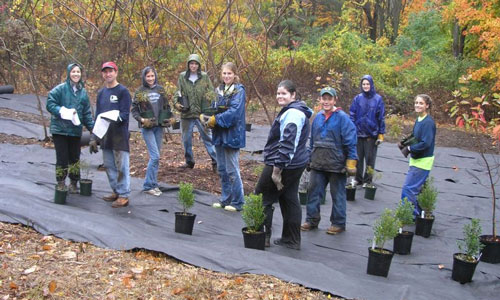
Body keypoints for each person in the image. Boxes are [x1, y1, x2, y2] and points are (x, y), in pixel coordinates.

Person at [254, 80, 312, 250]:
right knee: (289, 198)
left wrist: (277, 169)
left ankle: (261, 237)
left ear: (293, 95)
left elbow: (288, 142)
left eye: (284, 93)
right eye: (278, 93)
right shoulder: (297, 110)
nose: (280, 96)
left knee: (262, 197)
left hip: (284, 163)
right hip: (296, 163)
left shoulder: (293, 114)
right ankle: (291, 239)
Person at [301, 87, 358, 235]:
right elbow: (312, 141)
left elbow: (350, 141)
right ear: (320, 100)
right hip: (318, 163)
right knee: (313, 192)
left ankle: (338, 223)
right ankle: (311, 220)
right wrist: (309, 158)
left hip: (336, 164)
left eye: (329, 99)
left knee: (337, 194)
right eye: (323, 98)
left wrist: (351, 162)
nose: (326, 101)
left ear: (335, 100)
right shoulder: (317, 118)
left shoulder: (342, 118)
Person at [200, 62, 246, 212]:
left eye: (229, 73)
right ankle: (226, 199)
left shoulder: (239, 91)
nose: (226, 76)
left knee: (232, 169)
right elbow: (213, 107)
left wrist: (216, 119)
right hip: (219, 133)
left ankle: (238, 201)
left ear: (235, 75)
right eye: (224, 73)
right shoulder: (219, 90)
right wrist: (206, 117)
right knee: (222, 168)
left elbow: (234, 112)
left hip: (232, 134)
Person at [46, 63, 94, 193]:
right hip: (60, 130)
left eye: (78, 72)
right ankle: (61, 182)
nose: (76, 74)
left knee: (74, 157)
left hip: (74, 131)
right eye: (73, 72)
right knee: (62, 157)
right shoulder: (60, 89)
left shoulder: (83, 93)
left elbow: (86, 113)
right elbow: (50, 103)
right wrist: (61, 111)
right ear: (68, 73)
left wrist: (93, 129)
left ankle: (74, 182)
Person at [92, 61, 132, 208]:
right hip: (105, 135)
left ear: (116, 72)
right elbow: (98, 115)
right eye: (105, 72)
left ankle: (124, 194)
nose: (108, 74)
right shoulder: (101, 93)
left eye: (110, 71)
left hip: (119, 135)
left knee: (122, 166)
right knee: (109, 165)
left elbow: (125, 114)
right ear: (102, 74)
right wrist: (94, 137)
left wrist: (114, 117)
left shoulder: (123, 91)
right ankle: (116, 190)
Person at [131, 66, 174, 197]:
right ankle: (148, 185)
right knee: (155, 156)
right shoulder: (140, 91)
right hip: (148, 127)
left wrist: (171, 117)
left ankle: (153, 184)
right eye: (148, 76)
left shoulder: (160, 90)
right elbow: (134, 110)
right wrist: (142, 119)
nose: (150, 78)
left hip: (159, 127)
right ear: (144, 77)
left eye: (152, 76)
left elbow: (167, 106)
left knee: (156, 158)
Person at [174, 54, 217, 171]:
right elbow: (177, 93)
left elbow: (211, 93)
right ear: (188, 65)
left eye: (195, 64)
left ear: (199, 65)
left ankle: (216, 162)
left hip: (201, 114)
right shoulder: (182, 77)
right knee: (186, 139)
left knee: (208, 138)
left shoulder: (204, 77)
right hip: (187, 114)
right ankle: (189, 162)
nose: (193, 66)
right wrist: (177, 104)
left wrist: (209, 107)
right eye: (191, 64)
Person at [400, 94, 436, 216]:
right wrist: (405, 142)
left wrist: (409, 148)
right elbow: (416, 136)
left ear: (427, 105)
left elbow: (426, 143)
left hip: (423, 161)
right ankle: (420, 214)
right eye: (416, 102)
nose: (418, 105)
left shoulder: (428, 123)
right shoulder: (419, 119)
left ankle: (409, 215)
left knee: (408, 188)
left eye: (421, 103)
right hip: (417, 160)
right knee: (418, 190)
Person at [349, 75, 385, 187]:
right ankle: (358, 179)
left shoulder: (378, 99)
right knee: (358, 158)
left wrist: (380, 134)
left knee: (370, 159)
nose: (366, 86)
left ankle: (367, 181)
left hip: (371, 134)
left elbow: (381, 117)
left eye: (367, 84)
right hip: (359, 134)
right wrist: (352, 130)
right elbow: (352, 115)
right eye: (364, 84)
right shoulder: (357, 98)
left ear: (371, 84)